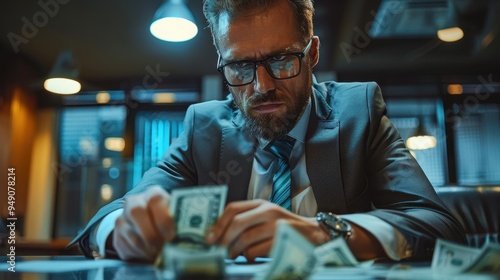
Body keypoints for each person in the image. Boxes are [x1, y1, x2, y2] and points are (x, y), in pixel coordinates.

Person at [69, 0, 466, 262]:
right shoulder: (202, 128)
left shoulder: (358, 111)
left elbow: (438, 226)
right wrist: (124, 230)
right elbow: (105, 219)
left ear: (312, 53)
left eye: (280, 60)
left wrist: (324, 234)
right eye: (240, 67)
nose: (261, 87)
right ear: (222, 63)